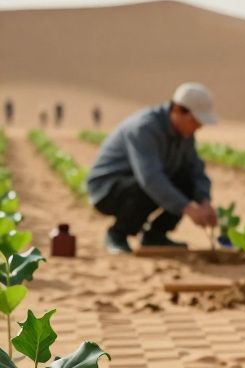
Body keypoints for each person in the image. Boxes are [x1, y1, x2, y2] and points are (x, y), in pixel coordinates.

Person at [86, 83, 219, 254]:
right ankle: (117, 234)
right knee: (148, 187)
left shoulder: (185, 133)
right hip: (107, 190)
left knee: (186, 181)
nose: (199, 127)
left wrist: (204, 201)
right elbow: (149, 178)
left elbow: (195, 169)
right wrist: (188, 208)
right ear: (177, 110)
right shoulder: (144, 128)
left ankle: (155, 235)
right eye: (195, 121)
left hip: (140, 183)